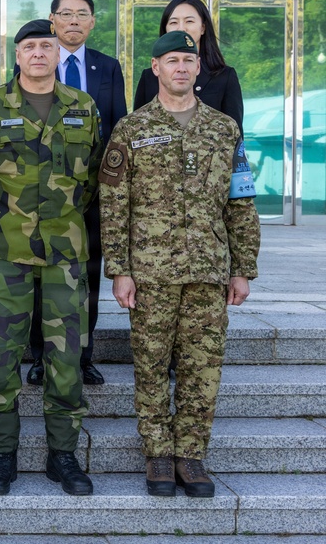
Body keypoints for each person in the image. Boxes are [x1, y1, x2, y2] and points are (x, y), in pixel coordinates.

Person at [100, 30, 260, 498]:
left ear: (198, 69)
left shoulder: (224, 129)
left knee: (202, 366)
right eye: (172, 60)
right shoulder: (131, 130)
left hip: (209, 269)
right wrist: (120, 269)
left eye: (188, 61)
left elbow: (241, 203)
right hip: (150, 272)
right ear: (156, 68)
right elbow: (114, 204)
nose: (181, 69)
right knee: (150, 365)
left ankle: (191, 454)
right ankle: (158, 455)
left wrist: (242, 267)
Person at [0, 19, 102, 497]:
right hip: (6, 253)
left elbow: (95, 176)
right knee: (1, 359)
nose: (39, 53)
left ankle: (63, 456)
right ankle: (3, 455)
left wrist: (63, 217)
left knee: (66, 358)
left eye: (47, 45)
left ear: (59, 53)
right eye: (29, 46)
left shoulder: (83, 107)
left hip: (66, 252)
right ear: (16, 55)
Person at [28, 0, 127, 388]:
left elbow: (117, 132)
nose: (72, 21)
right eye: (64, 14)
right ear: (52, 21)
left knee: (86, 277)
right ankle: (39, 357)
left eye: (81, 14)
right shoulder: (34, 63)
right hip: (40, 197)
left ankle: (83, 358)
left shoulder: (108, 67)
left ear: (91, 22)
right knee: (39, 276)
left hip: (89, 196)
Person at [132, 0, 243, 132]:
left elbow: (235, 136)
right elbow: (136, 128)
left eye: (189, 21)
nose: (181, 28)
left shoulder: (224, 76)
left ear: (203, 27)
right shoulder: (150, 76)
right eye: (173, 22)